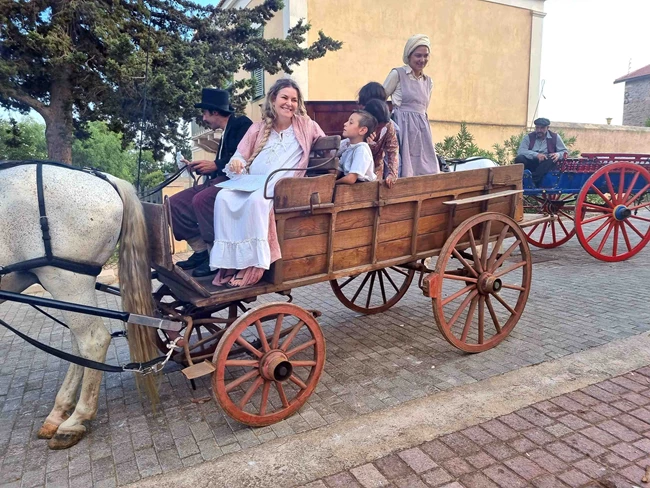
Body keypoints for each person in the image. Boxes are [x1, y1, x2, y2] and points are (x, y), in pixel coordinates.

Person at [209, 78, 325, 288]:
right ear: (273, 99)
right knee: (224, 197)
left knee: (257, 201)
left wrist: (358, 146)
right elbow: (240, 155)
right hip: (253, 181)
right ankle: (231, 263)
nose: (289, 103)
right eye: (284, 98)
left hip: (283, 187)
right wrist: (237, 161)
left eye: (294, 100)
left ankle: (252, 265)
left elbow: (329, 148)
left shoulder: (307, 126)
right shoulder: (258, 128)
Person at [171, 88, 252, 277]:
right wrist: (198, 166)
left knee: (202, 200)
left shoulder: (242, 125)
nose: (204, 118)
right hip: (221, 180)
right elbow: (220, 164)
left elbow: (243, 159)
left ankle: (215, 255)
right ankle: (201, 251)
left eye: (205, 113)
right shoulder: (224, 132)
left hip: (239, 182)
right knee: (173, 204)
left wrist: (215, 165)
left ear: (215, 112)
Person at [383, 34, 439, 177]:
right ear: (409, 56)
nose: (422, 60)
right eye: (418, 55)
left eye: (426, 56)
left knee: (426, 168)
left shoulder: (428, 82)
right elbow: (380, 99)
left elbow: (423, 108)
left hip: (421, 130)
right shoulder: (398, 74)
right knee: (404, 166)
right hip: (402, 126)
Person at [357, 83, 400, 188]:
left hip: (377, 172)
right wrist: (368, 145)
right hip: (358, 172)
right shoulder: (357, 123)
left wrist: (392, 174)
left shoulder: (388, 125)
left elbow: (393, 149)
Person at [515, 118, 568, 187]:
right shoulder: (529, 137)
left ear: (547, 128)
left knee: (551, 158)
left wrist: (558, 155)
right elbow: (521, 151)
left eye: (542, 128)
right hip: (532, 162)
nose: (539, 130)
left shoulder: (555, 137)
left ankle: (533, 180)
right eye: (537, 128)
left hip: (546, 164)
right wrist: (536, 155)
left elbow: (564, 151)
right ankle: (519, 180)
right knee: (519, 158)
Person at [336, 110, 378, 185]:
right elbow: (337, 172)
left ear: (362, 130)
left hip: (362, 189)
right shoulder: (348, 148)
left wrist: (333, 184)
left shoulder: (361, 150)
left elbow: (351, 179)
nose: (345, 124)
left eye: (351, 123)